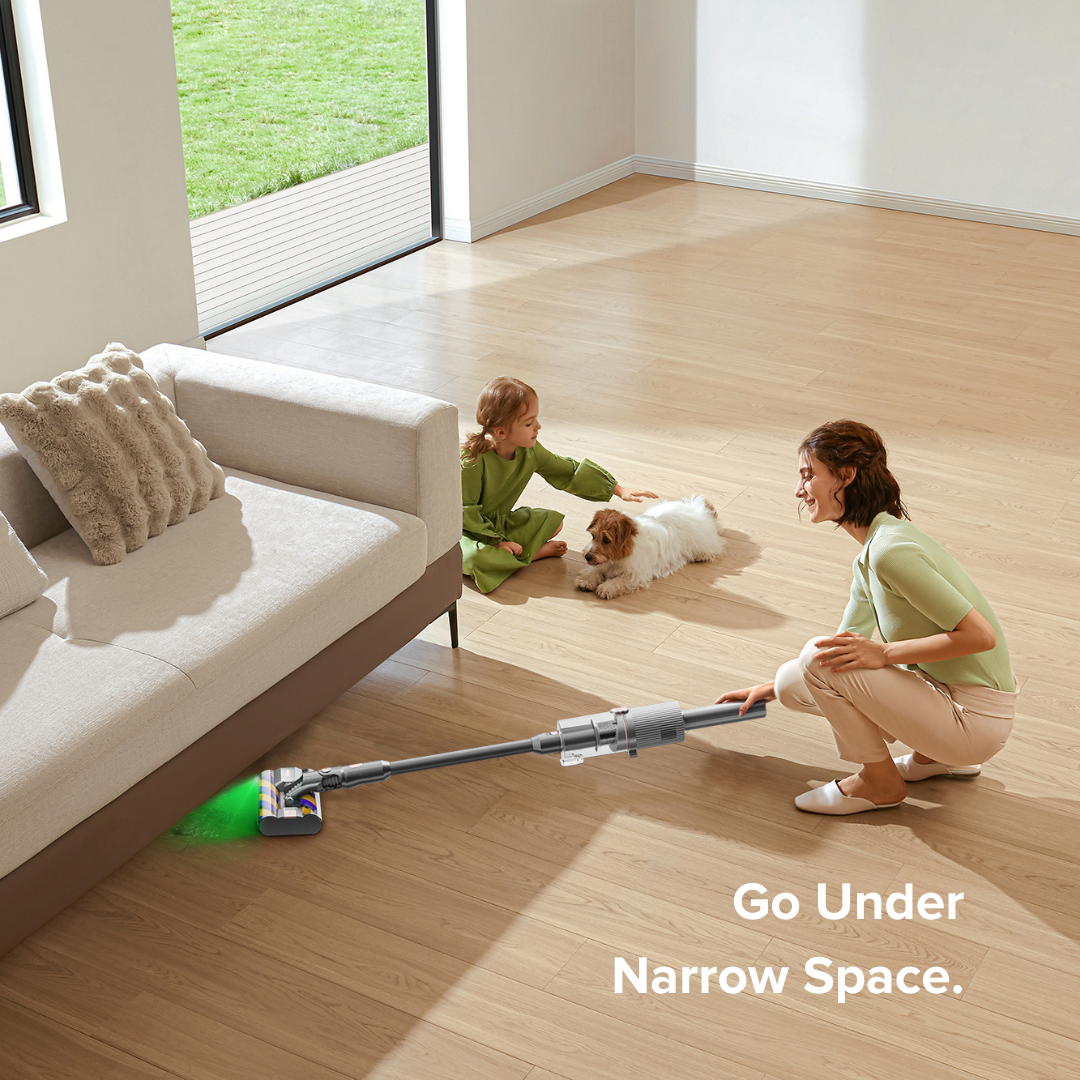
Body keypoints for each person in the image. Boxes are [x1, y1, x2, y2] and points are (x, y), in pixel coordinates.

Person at [718, 420, 1017, 815]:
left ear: (846, 476)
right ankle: (933, 758)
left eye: (808, 475)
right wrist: (771, 686)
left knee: (812, 657)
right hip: (954, 704)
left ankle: (879, 781)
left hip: (973, 721)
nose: (799, 489)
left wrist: (884, 654)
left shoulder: (890, 552)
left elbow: (981, 636)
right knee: (796, 677)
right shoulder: (874, 550)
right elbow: (840, 650)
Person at [461, 376, 657, 593]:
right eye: (528, 423)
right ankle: (533, 555)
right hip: (466, 531)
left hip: (498, 524)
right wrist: (497, 543)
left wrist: (618, 490)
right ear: (501, 432)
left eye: (536, 419)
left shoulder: (530, 451)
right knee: (472, 557)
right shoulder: (471, 462)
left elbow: (569, 472)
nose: (538, 426)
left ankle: (507, 557)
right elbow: (465, 513)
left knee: (553, 522)